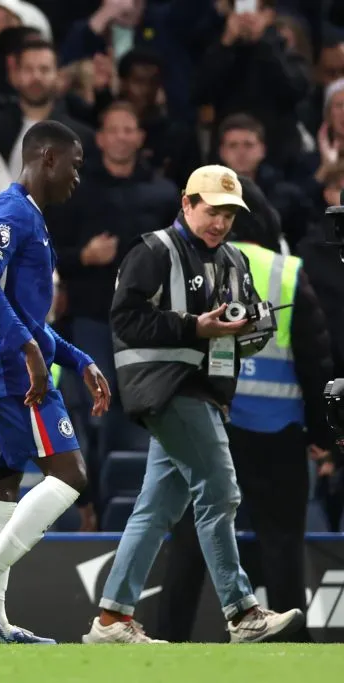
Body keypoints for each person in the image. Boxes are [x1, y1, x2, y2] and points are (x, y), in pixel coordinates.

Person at [83, 165, 304, 644]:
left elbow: (240, 339)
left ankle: (111, 620)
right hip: (168, 387)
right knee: (220, 490)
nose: (220, 222)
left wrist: (252, 331)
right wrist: (194, 326)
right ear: (187, 204)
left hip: (204, 390)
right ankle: (242, 611)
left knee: (155, 508)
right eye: (212, 210)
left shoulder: (235, 261)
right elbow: (124, 319)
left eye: (228, 214)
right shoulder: (153, 251)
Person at [0, 120, 110, 645]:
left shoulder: (29, 217)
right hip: (11, 371)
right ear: (45, 157)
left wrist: (77, 357)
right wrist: (31, 350)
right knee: (70, 474)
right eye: (75, 165)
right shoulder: (11, 210)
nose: (76, 179)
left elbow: (27, 314)